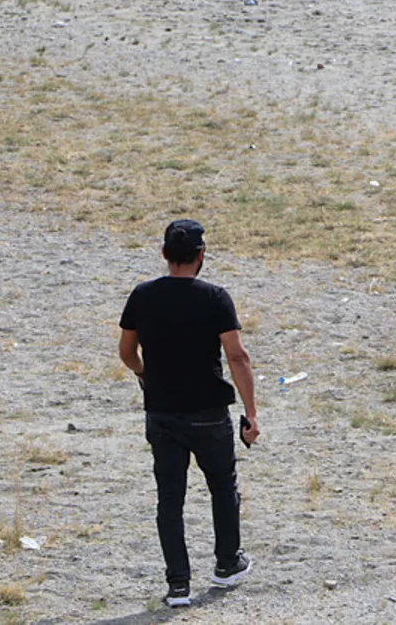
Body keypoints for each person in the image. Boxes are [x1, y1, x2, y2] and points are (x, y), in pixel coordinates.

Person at [118, 219, 260, 607]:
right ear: (201, 256)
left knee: (170, 497)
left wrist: (145, 374)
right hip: (209, 411)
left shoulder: (142, 296)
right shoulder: (215, 297)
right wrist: (250, 412)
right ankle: (227, 563)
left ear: (164, 254)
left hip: (162, 411)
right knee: (222, 487)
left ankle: (177, 584)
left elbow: (127, 352)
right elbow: (237, 355)